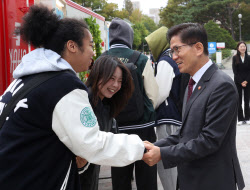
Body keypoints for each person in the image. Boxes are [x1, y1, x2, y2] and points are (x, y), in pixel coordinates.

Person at [0, 5, 147, 190]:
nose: (94, 52)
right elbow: (91, 143)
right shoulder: (64, 86)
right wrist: (139, 147)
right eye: (91, 45)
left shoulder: (25, 78)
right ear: (72, 46)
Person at [142, 23, 245, 190]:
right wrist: (156, 145)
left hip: (212, 180)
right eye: (171, 51)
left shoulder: (221, 85)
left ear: (198, 48)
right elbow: (186, 132)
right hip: (193, 179)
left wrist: (163, 154)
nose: (174, 56)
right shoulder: (193, 82)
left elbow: (208, 140)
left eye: (177, 49)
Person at [107, 18, 159, 190]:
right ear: (129, 37)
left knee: (120, 177)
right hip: (143, 126)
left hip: (115, 128)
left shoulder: (102, 60)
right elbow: (152, 94)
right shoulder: (140, 58)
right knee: (147, 176)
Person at [78, 55, 134, 190]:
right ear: (98, 75)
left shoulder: (105, 103)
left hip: (90, 175)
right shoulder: (85, 102)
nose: (115, 85)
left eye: (120, 81)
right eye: (111, 78)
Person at [145, 26, 181, 190]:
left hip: (167, 116)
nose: (151, 49)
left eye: (152, 45)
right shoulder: (170, 58)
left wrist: (149, 108)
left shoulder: (166, 61)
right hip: (176, 115)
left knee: (167, 163)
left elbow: (160, 92)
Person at [232, 41, 250, 125]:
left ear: (246, 48)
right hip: (238, 82)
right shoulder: (235, 58)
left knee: (247, 100)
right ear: (238, 48)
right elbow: (235, 72)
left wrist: (246, 81)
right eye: (241, 46)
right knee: (238, 100)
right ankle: (240, 119)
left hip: (248, 81)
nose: (243, 48)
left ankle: (247, 118)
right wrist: (241, 81)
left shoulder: (249, 57)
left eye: (244, 46)